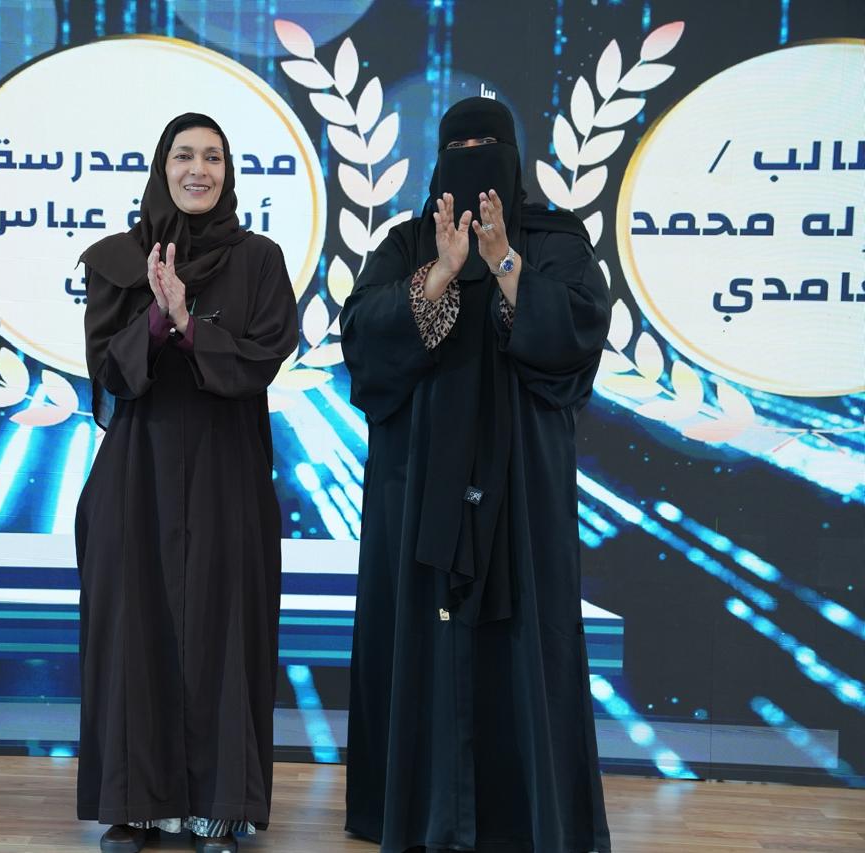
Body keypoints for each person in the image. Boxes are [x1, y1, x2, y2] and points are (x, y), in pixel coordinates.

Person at [341, 96, 613, 853]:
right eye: (457, 149)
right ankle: (423, 815)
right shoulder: (405, 243)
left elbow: (580, 331)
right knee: (425, 640)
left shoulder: (554, 240)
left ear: (515, 158)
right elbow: (362, 339)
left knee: (524, 636)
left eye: (486, 148)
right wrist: (442, 273)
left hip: (521, 488)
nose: (472, 162)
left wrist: (503, 265)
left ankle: (526, 815)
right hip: (419, 483)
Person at [73, 113, 298, 853]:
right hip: (136, 470)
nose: (198, 169)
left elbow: (264, 357)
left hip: (227, 466)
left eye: (213, 157)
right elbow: (107, 371)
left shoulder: (259, 260)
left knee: (222, 626)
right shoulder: (117, 260)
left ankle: (218, 808)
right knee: (132, 625)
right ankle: (133, 806)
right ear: (161, 168)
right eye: (183, 155)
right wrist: (157, 321)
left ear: (228, 173)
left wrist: (190, 323)